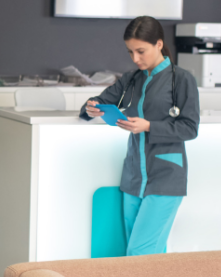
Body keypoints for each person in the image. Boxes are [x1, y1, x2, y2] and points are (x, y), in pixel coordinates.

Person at [81, 15, 200, 256]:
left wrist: (148, 126)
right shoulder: (131, 79)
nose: (135, 59)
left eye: (141, 51)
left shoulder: (182, 80)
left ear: (158, 44)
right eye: (130, 52)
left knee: (139, 253)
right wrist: (91, 107)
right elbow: (101, 101)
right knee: (141, 255)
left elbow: (189, 128)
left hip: (166, 177)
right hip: (134, 178)